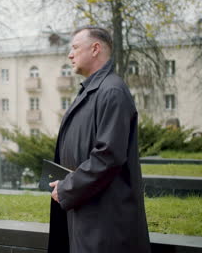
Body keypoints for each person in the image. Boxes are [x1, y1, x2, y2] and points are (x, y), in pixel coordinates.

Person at [47, 26, 151, 253]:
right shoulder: (93, 90)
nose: (70, 54)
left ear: (95, 49)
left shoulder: (111, 92)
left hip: (105, 224)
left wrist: (67, 188)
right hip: (88, 216)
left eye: (75, 48)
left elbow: (108, 156)